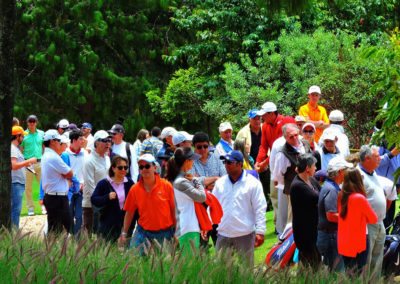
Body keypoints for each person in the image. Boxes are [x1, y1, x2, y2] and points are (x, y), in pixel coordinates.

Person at [213, 150, 267, 266]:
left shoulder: (252, 183)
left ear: (239, 164)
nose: (226, 165)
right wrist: (206, 225)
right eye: (225, 162)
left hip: (245, 234)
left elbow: (260, 208)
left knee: (246, 272)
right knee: (220, 273)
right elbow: (213, 206)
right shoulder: (220, 183)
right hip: (223, 233)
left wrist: (260, 231)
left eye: (229, 162)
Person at [120, 154, 176, 255]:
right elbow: (129, 213)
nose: (144, 169)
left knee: (164, 266)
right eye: (141, 167)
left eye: (147, 166)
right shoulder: (134, 189)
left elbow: (174, 210)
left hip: (165, 233)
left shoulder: (166, 186)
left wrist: (177, 231)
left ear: (155, 167)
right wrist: (124, 233)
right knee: (132, 260)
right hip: (142, 232)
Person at [272, 123, 312, 234]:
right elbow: (278, 176)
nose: (294, 138)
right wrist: (289, 186)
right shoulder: (282, 153)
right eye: (291, 136)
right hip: (294, 190)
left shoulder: (305, 144)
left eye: (295, 135)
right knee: (293, 219)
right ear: (285, 137)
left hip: (309, 186)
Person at [165, 147, 206, 253]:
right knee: (189, 266)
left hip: (185, 227)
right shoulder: (181, 182)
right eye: (192, 159)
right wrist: (197, 181)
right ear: (186, 161)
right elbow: (202, 197)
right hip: (187, 227)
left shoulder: (178, 179)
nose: (193, 162)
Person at [338, 168, 378, 274]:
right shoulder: (359, 198)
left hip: (344, 240)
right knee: (357, 274)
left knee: (348, 272)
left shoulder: (341, 195)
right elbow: (373, 219)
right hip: (357, 241)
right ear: (358, 180)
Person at [317, 156, 353, 271]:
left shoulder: (330, 186)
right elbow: (331, 215)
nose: (347, 173)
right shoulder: (332, 189)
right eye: (346, 170)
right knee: (338, 273)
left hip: (330, 236)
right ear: (340, 172)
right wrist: (350, 219)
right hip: (330, 237)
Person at [357, 145, 387, 276]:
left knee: (377, 258)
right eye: (377, 156)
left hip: (380, 222)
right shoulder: (358, 175)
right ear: (367, 158)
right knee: (367, 259)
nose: (380, 158)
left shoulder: (373, 172)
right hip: (367, 224)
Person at [91, 156, 134, 242]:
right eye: (120, 167)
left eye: (125, 167)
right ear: (113, 168)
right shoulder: (104, 183)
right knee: (108, 249)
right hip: (108, 223)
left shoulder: (129, 183)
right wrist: (107, 197)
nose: (123, 170)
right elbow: (94, 199)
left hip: (125, 223)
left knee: (124, 250)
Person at [290, 153, 321, 268]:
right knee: (310, 265)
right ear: (307, 168)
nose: (316, 168)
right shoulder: (297, 186)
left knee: (316, 263)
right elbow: (317, 198)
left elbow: (321, 193)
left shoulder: (311, 180)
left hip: (314, 229)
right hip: (305, 233)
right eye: (314, 166)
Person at [41, 129, 74, 234]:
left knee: (55, 228)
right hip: (57, 198)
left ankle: (55, 249)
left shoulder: (48, 155)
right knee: (65, 227)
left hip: (53, 197)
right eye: (58, 141)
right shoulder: (53, 157)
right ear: (52, 141)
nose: (60, 143)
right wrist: (66, 178)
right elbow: (70, 173)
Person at [82, 130, 111, 235]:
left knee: (103, 235)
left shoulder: (107, 159)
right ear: (96, 143)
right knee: (89, 236)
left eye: (109, 140)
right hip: (91, 204)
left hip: (105, 202)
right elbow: (90, 185)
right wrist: (100, 201)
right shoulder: (89, 160)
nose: (108, 143)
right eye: (104, 140)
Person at [11, 126, 37, 228]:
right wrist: (29, 161)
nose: (23, 138)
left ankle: (12, 231)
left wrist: (26, 164)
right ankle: (13, 232)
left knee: (16, 209)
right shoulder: (13, 149)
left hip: (18, 183)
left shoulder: (15, 149)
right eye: (22, 136)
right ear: (17, 136)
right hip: (16, 183)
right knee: (15, 209)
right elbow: (14, 166)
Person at [62, 129, 87, 236]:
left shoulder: (85, 153)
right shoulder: (65, 154)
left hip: (82, 189)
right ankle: (71, 235)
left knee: (80, 216)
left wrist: (84, 183)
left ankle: (76, 239)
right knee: (69, 214)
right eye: (81, 139)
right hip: (69, 190)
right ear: (74, 140)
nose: (83, 141)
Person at [20, 114, 44, 216]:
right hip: (28, 164)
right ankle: (30, 208)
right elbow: (21, 149)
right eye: (30, 121)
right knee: (28, 187)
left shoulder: (41, 133)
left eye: (34, 121)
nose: (32, 123)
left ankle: (44, 206)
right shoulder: (24, 135)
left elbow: (43, 147)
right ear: (27, 123)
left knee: (43, 186)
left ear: (36, 122)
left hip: (39, 162)